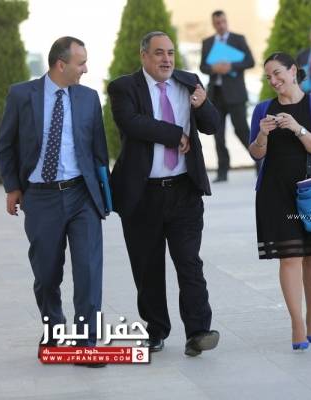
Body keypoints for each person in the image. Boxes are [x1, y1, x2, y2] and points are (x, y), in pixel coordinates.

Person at [0, 37, 109, 367]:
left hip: (82, 194)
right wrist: (13, 187)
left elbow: (99, 151)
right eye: (80, 63)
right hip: (41, 197)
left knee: (89, 271)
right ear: (61, 64)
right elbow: (5, 146)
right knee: (46, 274)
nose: (85, 69)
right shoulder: (22, 95)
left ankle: (86, 342)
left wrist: (104, 194)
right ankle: (55, 329)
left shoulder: (88, 98)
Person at [108, 31, 220, 357]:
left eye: (170, 52)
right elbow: (131, 123)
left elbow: (212, 126)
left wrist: (203, 104)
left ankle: (198, 332)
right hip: (143, 194)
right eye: (159, 53)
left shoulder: (189, 82)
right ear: (144, 56)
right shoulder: (124, 87)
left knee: (189, 263)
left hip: (184, 191)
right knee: (148, 268)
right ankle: (156, 330)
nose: (166, 59)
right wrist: (174, 135)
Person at [248, 52, 311, 350]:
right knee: (289, 257)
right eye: (268, 76)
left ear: (293, 71)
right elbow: (256, 154)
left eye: (277, 73)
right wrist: (262, 135)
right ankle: (297, 323)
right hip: (274, 193)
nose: (273, 80)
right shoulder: (263, 109)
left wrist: (297, 128)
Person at [200, 10, 255, 183]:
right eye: (217, 23)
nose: (221, 25)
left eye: (223, 21)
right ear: (213, 24)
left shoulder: (238, 39)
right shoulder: (208, 42)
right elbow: (202, 67)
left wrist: (231, 66)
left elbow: (250, 61)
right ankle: (222, 171)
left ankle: (260, 163)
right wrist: (213, 68)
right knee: (218, 134)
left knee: (242, 130)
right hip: (215, 94)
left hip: (235, 94)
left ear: (226, 21)